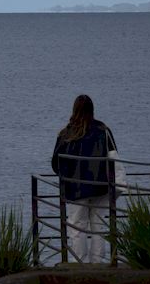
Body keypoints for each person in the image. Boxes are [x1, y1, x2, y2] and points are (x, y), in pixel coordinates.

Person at [51, 94, 121, 264]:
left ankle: (79, 262)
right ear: (92, 110)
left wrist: (67, 177)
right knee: (99, 225)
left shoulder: (67, 133)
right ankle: (97, 262)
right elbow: (113, 157)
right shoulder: (104, 131)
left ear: (74, 110)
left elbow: (56, 163)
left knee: (77, 226)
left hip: (76, 188)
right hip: (101, 186)